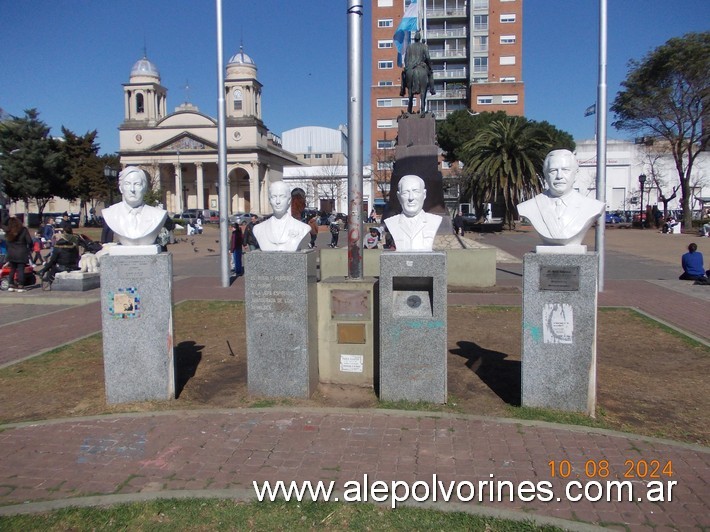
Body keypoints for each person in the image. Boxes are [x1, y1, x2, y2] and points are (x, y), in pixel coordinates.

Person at [517, 149, 605, 247]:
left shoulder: (592, 206)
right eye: (553, 171)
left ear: (575, 173)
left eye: (565, 170)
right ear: (545, 175)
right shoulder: (529, 207)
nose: (559, 176)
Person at [101, 166, 168, 247]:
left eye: (137, 184)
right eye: (127, 184)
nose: (132, 189)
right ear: (121, 188)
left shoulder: (158, 215)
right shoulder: (110, 213)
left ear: (145, 188)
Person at [384, 174, 443, 251]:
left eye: (416, 192)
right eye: (405, 192)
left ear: (424, 194)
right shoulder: (391, 222)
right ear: (399, 196)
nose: (411, 197)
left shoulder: (434, 221)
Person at [252, 181, 311, 251]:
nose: (278, 201)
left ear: (289, 200)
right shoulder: (258, 229)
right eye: (274, 197)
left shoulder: (302, 228)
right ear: (269, 200)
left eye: (282, 196)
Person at [400, 31, 435, 114]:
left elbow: (406, 59)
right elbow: (428, 57)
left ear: (414, 38)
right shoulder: (424, 46)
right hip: (421, 66)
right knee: (430, 74)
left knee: (404, 76)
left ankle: (403, 90)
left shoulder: (409, 47)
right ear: (420, 38)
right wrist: (430, 67)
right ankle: (432, 89)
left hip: (410, 68)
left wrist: (408, 67)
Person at [4, 217, 33, 292]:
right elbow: (29, 241)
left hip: (11, 252)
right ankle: (21, 286)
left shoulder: (8, 230)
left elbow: (6, 242)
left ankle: (11, 285)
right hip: (21, 252)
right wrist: (30, 248)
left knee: (12, 269)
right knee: (20, 270)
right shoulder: (23, 230)